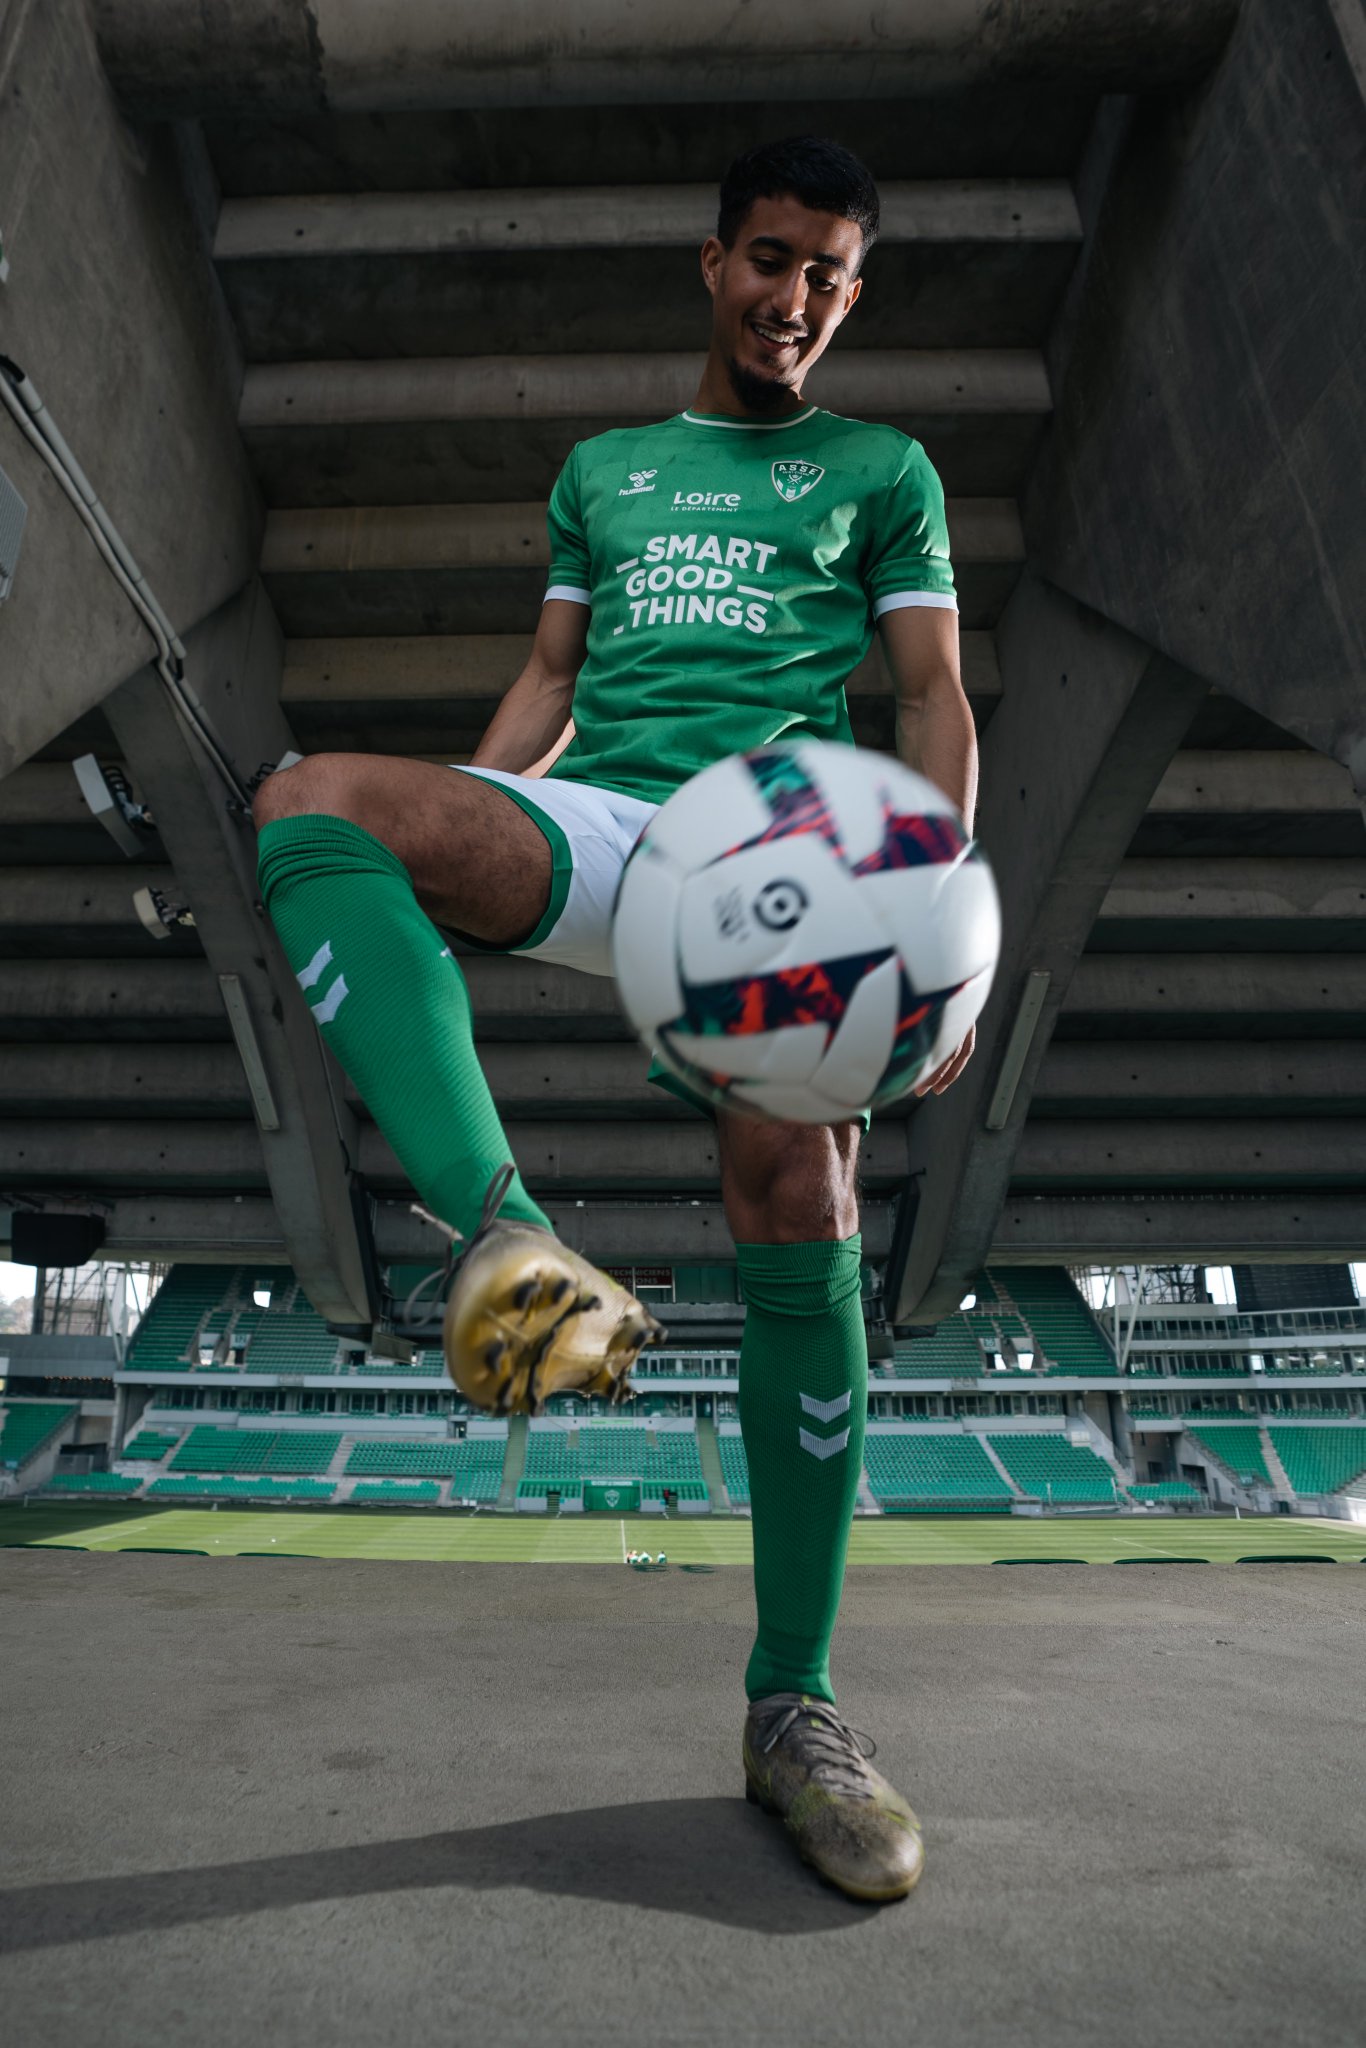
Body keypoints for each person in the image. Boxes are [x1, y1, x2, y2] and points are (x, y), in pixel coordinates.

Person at [254, 136, 978, 1903]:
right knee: (316, 806)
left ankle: (792, 1709)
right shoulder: (607, 471)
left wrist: (943, 920)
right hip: (604, 823)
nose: (794, 296)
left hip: (770, 862)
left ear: (850, 297)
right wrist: (457, 821)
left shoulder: (881, 470)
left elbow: (933, 688)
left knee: (796, 1196)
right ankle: (505, 1239)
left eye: (828, 274)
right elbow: (555, 679)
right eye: (770, 259)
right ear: (710, 261)